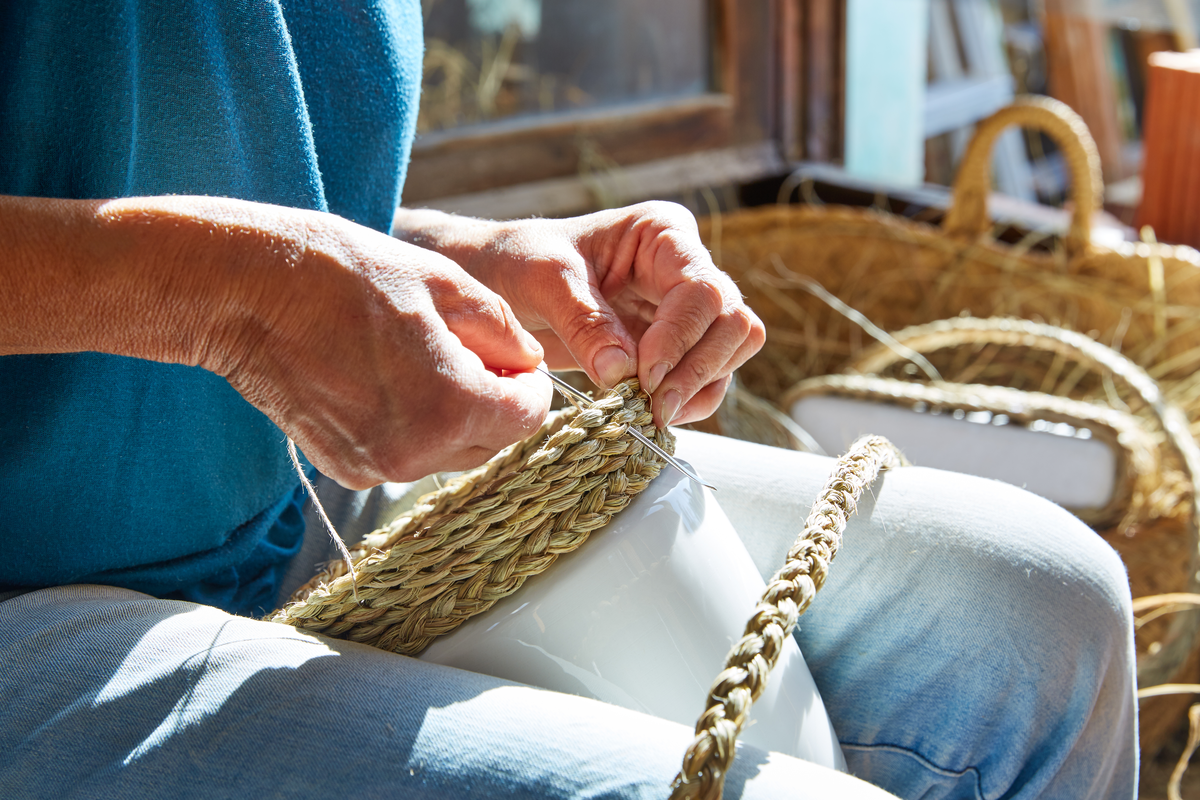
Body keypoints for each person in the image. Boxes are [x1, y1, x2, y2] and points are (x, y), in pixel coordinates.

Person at [0, 2, 1136, 798]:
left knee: (1049, 613)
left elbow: (159, 141)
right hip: (29, 591)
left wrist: (472, 259)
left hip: (283, 488)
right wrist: (231, 300)